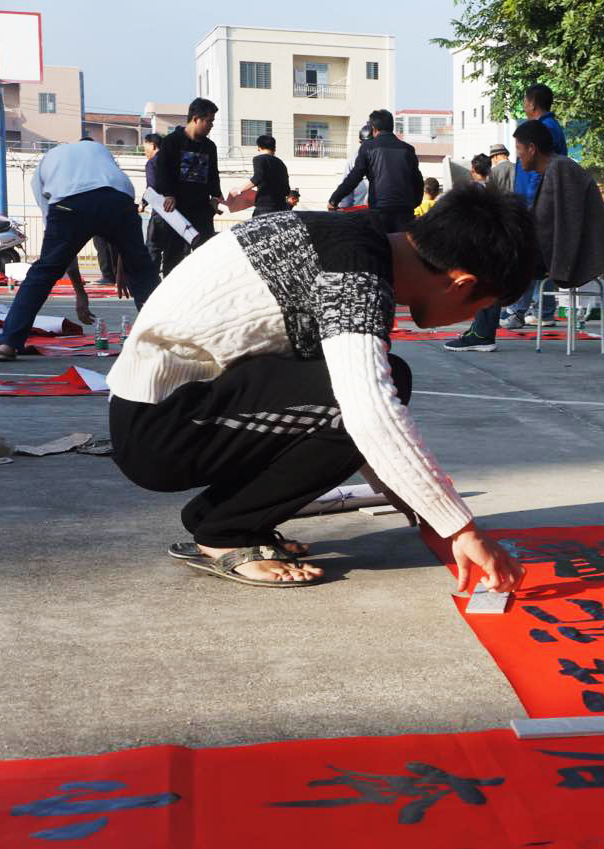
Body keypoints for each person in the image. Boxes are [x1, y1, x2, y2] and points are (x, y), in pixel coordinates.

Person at [107, 185, 535, 589]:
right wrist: (461, 528)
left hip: (168, 408)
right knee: (379, 388)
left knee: (380, 378)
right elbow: (368, 412)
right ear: (462, 282)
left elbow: (345, 408)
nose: (468, 318)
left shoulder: (354, 239)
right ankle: (226, 532)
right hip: (160, 428)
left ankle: (227, 519)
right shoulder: (355, 270)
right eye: (482, 307)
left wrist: (411, 496)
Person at [447, 120, 604, 352]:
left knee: (490, 264)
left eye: (519, 150)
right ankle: (481, 330)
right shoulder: (554, 169)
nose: (518, 158)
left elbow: (557, 226)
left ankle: (482, 333)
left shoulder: (560, 169)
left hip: (566, 253)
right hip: (549, 248)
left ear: (532, 149)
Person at [0, 139, 160, 360]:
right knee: (143, 271)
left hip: (70, 203)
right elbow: (123, 227)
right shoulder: (99, 149)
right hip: (118, 200)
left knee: (43, 273)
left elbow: (61, 252)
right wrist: (125, 267)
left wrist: (79, 292)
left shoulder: (44, 167)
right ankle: (164, 338)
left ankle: (8, 344)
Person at [504, 84, 571, 329]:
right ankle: (542, 310)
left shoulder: (543, 129)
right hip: (533, 199)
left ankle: (521, 310)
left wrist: (531, 202)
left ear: (531, 103)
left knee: (529, 255)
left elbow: (540, 170)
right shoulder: (552, 127)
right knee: (541, 256)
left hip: (535, 201)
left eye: (524, 100)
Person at [153, 98, 223, 275]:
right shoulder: (172, 141)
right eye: (209, 121)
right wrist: (168, 194)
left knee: (205, 255)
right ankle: (172, 295)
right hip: (177, 210)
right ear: (196, 119)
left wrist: (215, 197)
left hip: (202, 210)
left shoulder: (209, 147)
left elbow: (213, 174)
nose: (211, 126)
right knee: (173, 256)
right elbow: (161, 171)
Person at [328, 109, 424, 234]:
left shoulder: (368, 147)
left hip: (380, 211)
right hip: (404, 211)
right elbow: (418, 182)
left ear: (373, 128)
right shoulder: (408, 149)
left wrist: (334, 199)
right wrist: (413, 204)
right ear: (391, 126)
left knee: (381, 248)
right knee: (402, 248)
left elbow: (354, 177)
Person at [236, 134, 291, 217]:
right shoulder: (281, 164)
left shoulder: (260, 159)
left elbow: (258, 178)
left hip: (264, 208)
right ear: (274, 148)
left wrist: (239, 190)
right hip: (281, 208)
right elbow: (287, 190)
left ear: (259, 147)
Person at [139, 133, 169, 274]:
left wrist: (143, 203)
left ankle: (151, 281)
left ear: (153, 145)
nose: (145, 152)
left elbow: (152, 187)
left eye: (146, 148)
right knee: (172, 250)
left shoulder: (152, 163)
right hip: (179, 213)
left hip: (161, 212)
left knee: (153, 247)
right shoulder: (174, 161)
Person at [337, 124, 374, 210]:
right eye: (365, 144)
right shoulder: (352, 161)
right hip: (359, 215)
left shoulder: (383, 160)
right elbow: (346, 196)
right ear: (360, 143)